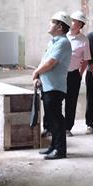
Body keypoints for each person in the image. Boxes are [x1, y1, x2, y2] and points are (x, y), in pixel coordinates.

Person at [32, 11, 72, 160]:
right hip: (48, 86)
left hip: (55, 87)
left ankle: (60, 150)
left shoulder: (63, 43)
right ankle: (53, 146)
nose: (49, 25)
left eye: (52, 22)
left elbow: (51, 63)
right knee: (51, 118)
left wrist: (36, 72)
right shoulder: (53, 42)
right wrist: (38, 76)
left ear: (60, 26)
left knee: (56, 119)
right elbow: (44, 61)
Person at [65, 10, 90, 137]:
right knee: (54, 100)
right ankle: (51, 127)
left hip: (73, 74)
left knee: (71, 101)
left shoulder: (84, 40)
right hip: (59, 74)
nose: (71, 23)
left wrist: (80, 74)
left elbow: (86, 59)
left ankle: (67, 128)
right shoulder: (63, 36)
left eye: (74, 21)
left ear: (80, 24)